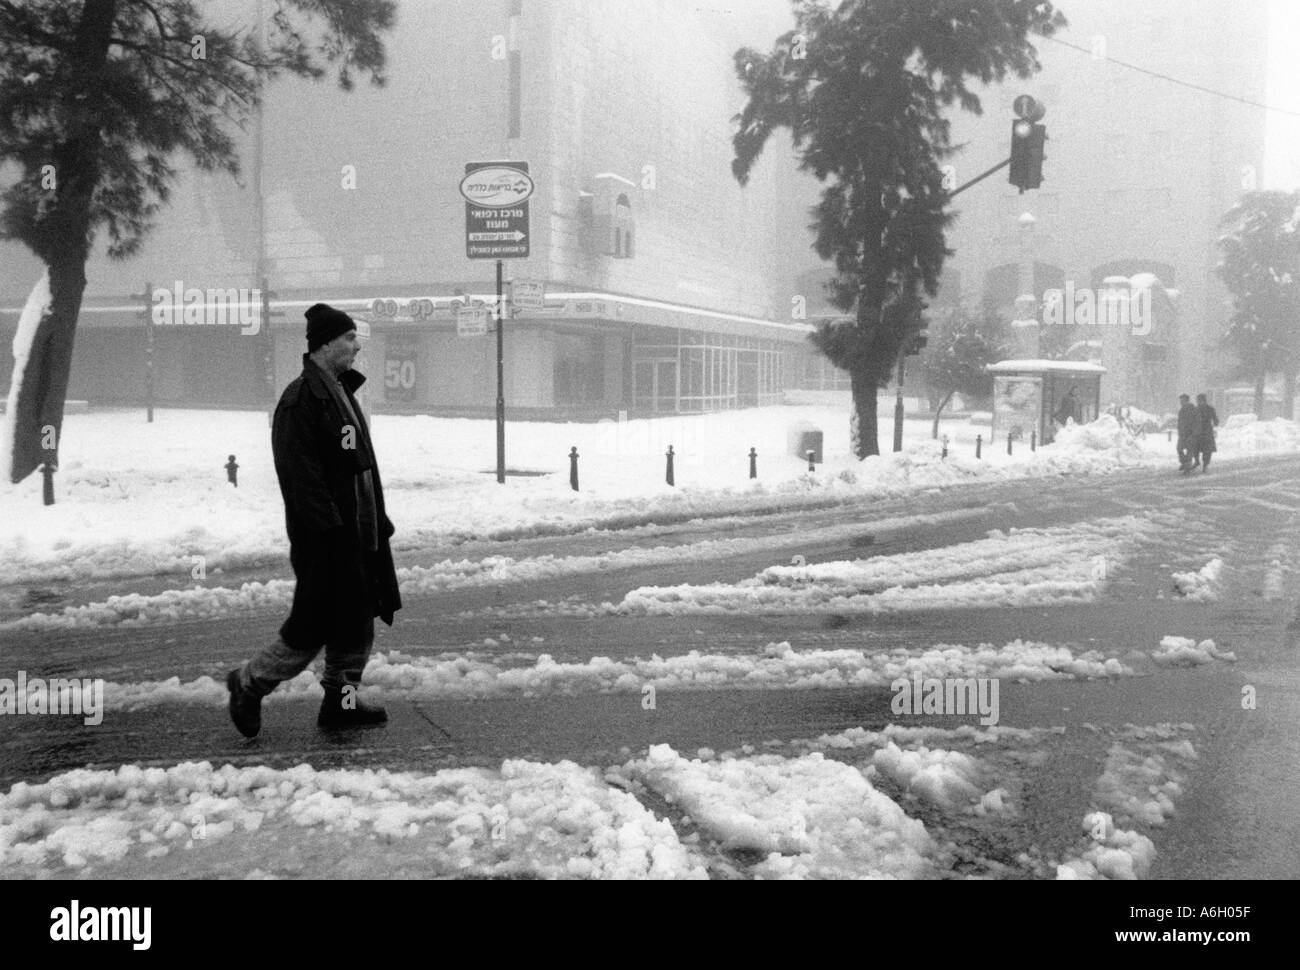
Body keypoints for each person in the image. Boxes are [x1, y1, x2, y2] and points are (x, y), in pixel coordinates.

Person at [226, 303, 402, 737]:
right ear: (325, 343)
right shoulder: (301, 400)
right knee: (313, 625)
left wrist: (376, 521)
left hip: (357, 533)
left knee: (357, 619)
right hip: (327, 538)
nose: (357, 345)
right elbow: (301, 479)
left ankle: (341, 702)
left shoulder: (339, 391)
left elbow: (356, 468)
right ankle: (249, 682)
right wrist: (332, 535)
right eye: (348, 338)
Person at [1194, 392, 1219, 473]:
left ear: (1203, 400)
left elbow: (1216, 420)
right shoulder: (1197, 409)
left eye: (1199, 400)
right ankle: (1198, 461)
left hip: (1205, 432)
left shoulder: (1207, 409)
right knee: (1197, 448)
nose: (1198, 402)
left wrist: (1215, 423)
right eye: (1198, 400)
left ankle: (1205, 465)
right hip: (1201, 432)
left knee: (1206, 450)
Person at [1176, 394, 1198, 472]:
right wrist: (1179, 430)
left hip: (1190, 433)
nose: (1180, 402)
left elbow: (1196, 421)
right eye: (1180, 400)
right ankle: (1185, 462)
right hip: (1182, 434)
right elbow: (1180, 422)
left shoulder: (1192, 409)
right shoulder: (1181, 410)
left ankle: (1187, 466)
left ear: (1186, 400)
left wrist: (1194, 432)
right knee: (1179, 449)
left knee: (1189, 450)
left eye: (1182, 400)